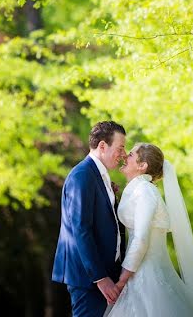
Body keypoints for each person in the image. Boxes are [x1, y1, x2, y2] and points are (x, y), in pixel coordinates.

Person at [105, 143, 193, 317]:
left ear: (142, 166)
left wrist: (122, 280)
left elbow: (141, 238)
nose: (124, 157)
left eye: (130, 155)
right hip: (137, 272)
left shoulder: (145, 192)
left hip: (146, 277)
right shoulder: (138, 190)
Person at [52, 121, 128, 317]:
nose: (123, 154)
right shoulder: (82, 175)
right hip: (88, 278)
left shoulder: (99, 176)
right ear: (102, 146)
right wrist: (100, 277)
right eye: (120, 148)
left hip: (107, 272)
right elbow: (81, 228)